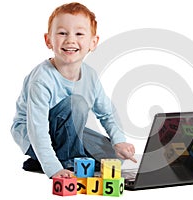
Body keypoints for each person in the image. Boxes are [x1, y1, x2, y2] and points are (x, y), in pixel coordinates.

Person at [10, 2, 136, 179]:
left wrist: (119, 140)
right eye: (62, 33)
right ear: (49, 40)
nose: (70, 40)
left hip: (67, 131)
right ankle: (61, 161)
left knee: (115, 157)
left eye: (79, 34)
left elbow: (107, 113)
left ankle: (53, 159)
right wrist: (53, 169)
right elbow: (37, 129)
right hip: (33, 135)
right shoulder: (42, 79)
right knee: (76, 103)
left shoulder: (90, 76)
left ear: (93, 42)